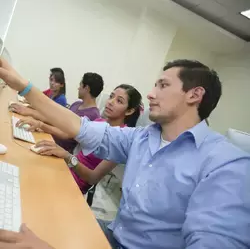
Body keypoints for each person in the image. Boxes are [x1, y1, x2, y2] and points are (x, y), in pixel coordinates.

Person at [0, 58, 250, 249]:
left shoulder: (227, 165)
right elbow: (80, 128)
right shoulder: (143, 137)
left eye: (163, 85)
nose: (151, 94)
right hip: (112, 235)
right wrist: (23, 86)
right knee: (23, 219)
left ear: (195, 95)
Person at [32, 84, 142, 194]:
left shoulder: (122, 139)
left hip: (75, 184)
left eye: (119, 101)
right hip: (65, 169)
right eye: (111, 96)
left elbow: (92, 178)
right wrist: (40, 124)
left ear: (129, 111)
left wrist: (67, 156)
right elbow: (68, 133)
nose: (110, 102)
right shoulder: (100, 122)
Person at [17, 73, 103, 153]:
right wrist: (33, 116)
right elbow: (56, 119)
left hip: (59, 149)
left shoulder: (93, 115)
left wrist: (41, 125)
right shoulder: (76, 104)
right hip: (50, 138)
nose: (78, 88)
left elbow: (66, 134)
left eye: (80, 85)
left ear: (86, 88)